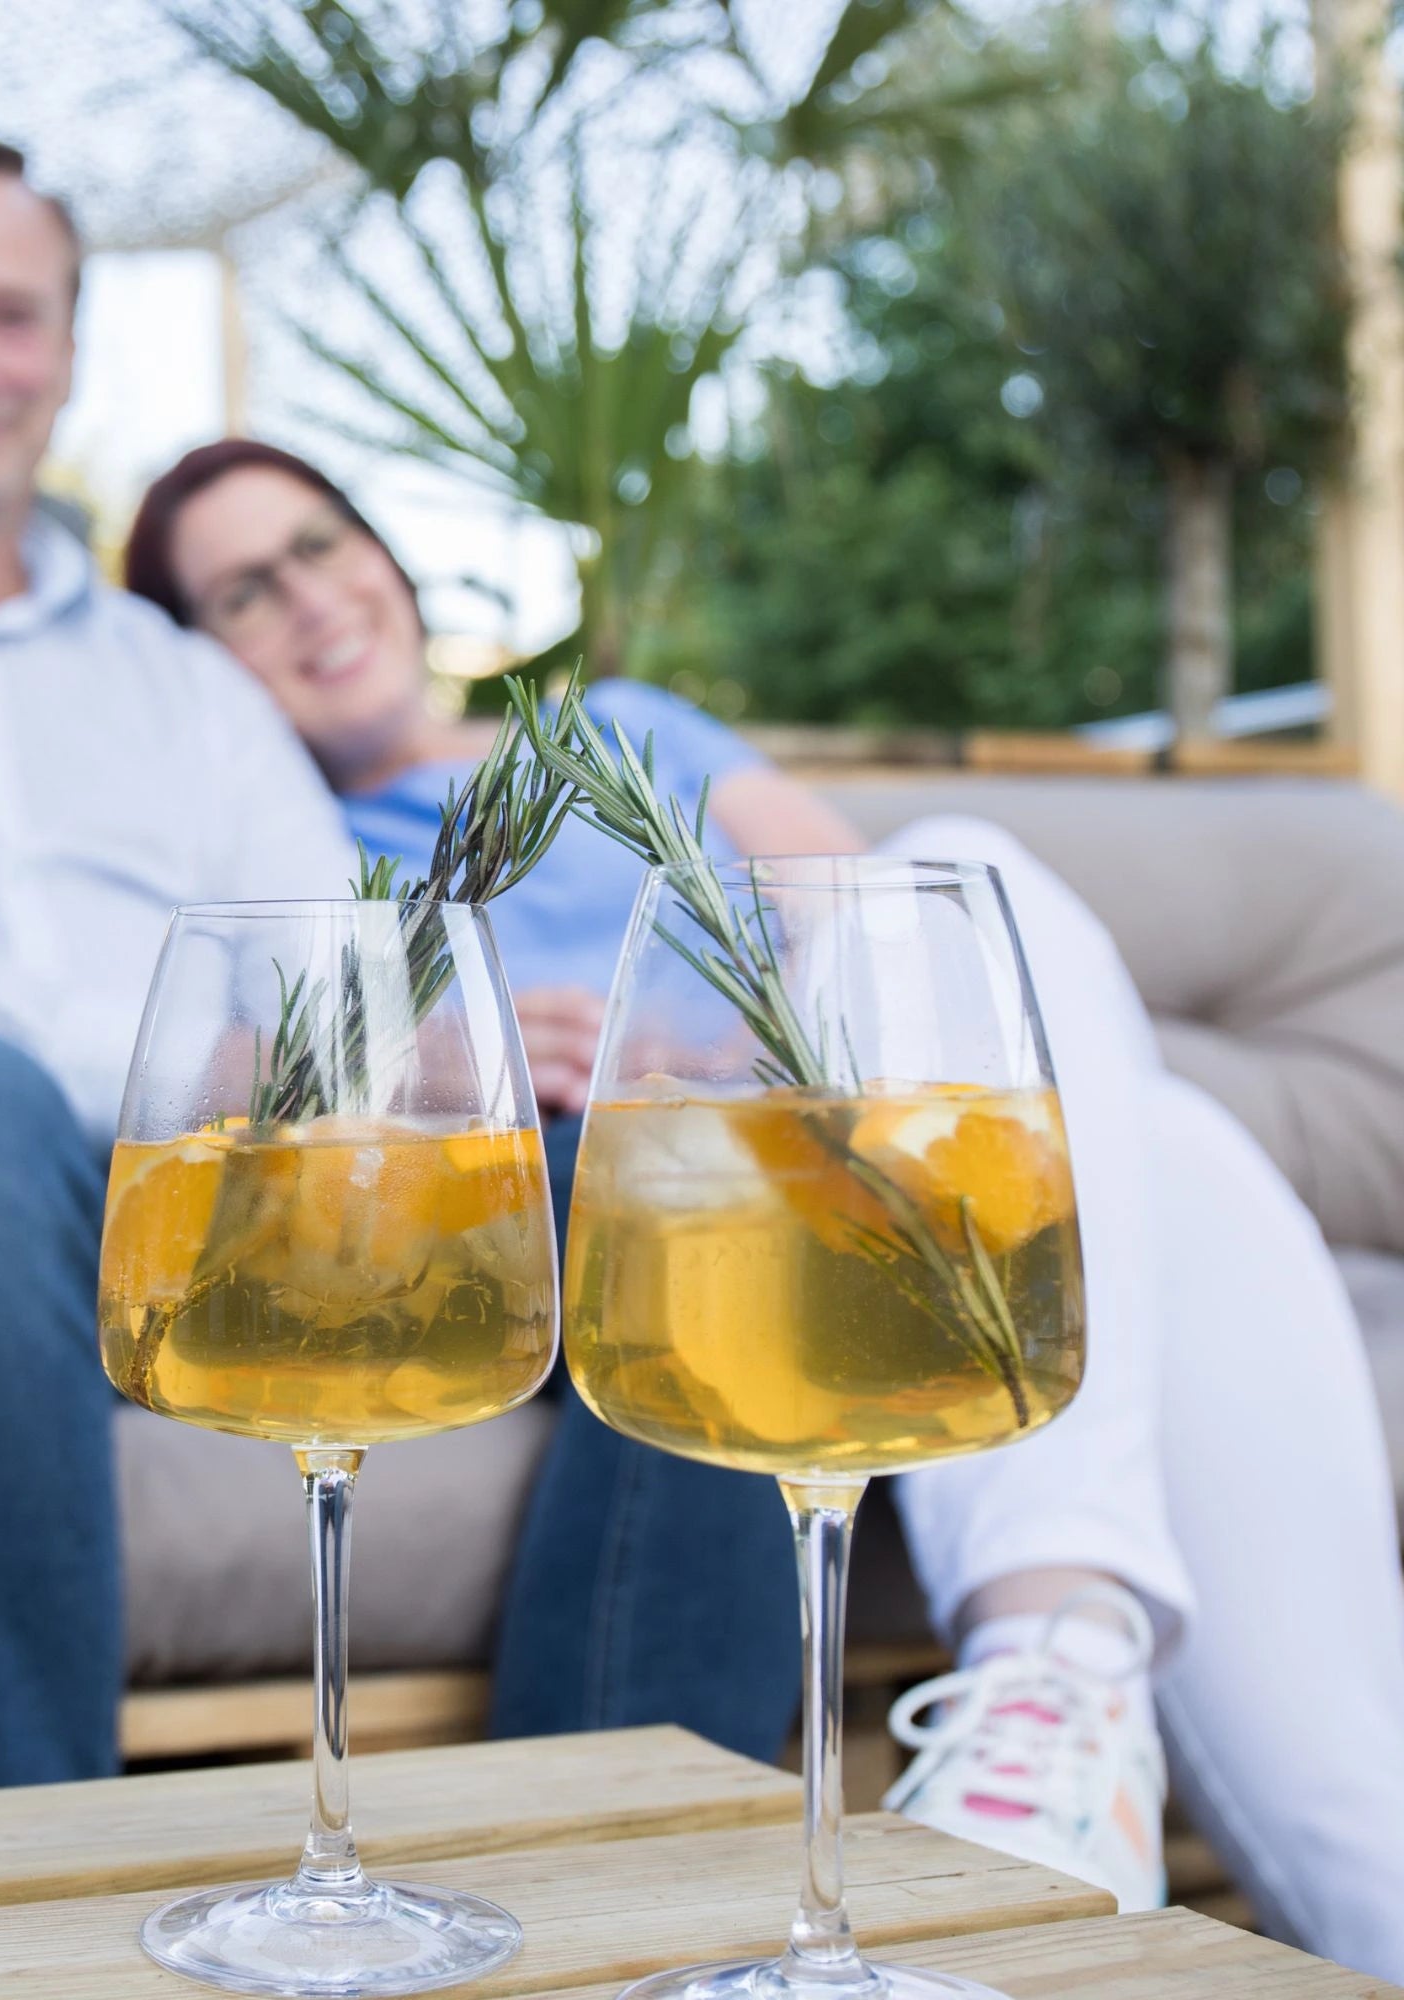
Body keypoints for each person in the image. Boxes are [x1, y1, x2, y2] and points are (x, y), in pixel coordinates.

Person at [0, 136, 799, 1804]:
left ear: (68, 351)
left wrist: (424, 1060)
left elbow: (332, 976)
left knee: (681, 1192)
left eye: (12, 316)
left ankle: (614, 1856)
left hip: (201, 1211)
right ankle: (21, 1924)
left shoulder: (187, 685)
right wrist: (185, 1079)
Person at [123, 436, 1404, 1980]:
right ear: (200, 665)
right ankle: (1070, 1673)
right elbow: (211, 1069)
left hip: (837, 1142)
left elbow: (884, 940)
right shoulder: (309, 858)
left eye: (322, 545)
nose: (310, 599)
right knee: (1176, 1146)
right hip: (618, 1211)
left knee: (977, 870)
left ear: (388, 558)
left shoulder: (630, 731)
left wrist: (705, 1062)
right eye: (244, 594)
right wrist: (442, 1043)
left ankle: (1065, 1671)